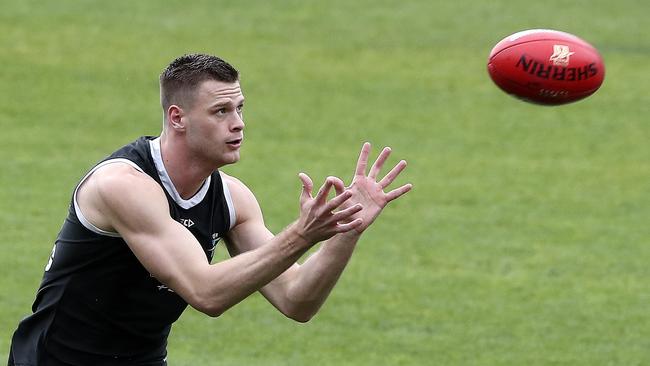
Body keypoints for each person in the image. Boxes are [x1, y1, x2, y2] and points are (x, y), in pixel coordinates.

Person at [7, 53, 412, 365]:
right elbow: (206, 292)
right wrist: (302, 234)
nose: (238, 123)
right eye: (221, 111)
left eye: (240, 108)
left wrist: (346, 231)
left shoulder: (233, 198)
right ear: (177, 118)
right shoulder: (122, 186)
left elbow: (296, 300)